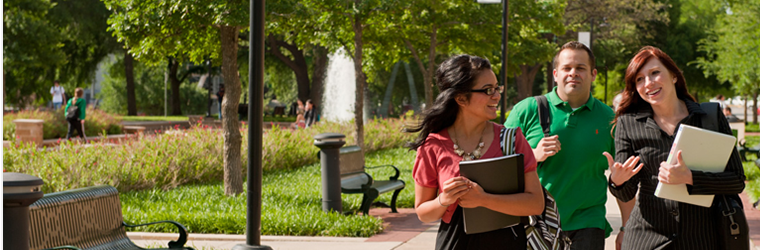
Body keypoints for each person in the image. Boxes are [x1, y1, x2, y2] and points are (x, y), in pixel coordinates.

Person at [605, 46, 745, 250]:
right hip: (646, 240)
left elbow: (736, 181)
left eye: (655, 73)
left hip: (700, 240)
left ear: (673, 76)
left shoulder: (709, 117)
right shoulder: (628, 123)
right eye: (639, 79)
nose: (648, 83)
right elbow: (626, 193)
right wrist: (617, 181)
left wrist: (690, 178)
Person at [504, 41, 634, 250]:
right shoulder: (527, 110)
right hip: (534, 222)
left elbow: (624, 180)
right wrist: (533, 156)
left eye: (580, 68)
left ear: (593, 75)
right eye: (567, 68)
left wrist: (627, 228)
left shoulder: (610, 119)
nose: (573, 73)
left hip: (588, 224)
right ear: (556, 74)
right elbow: (498, 165)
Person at [407, 54, 544, 249]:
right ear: (461, 98)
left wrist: (484, 199)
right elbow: (423, 212)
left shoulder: (512, 140)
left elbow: (535, 203)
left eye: (497, 88)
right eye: (488, 90)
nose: (496, 96)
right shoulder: (433, 145)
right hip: (454, 242)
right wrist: (444, 199)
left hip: (507, 241)